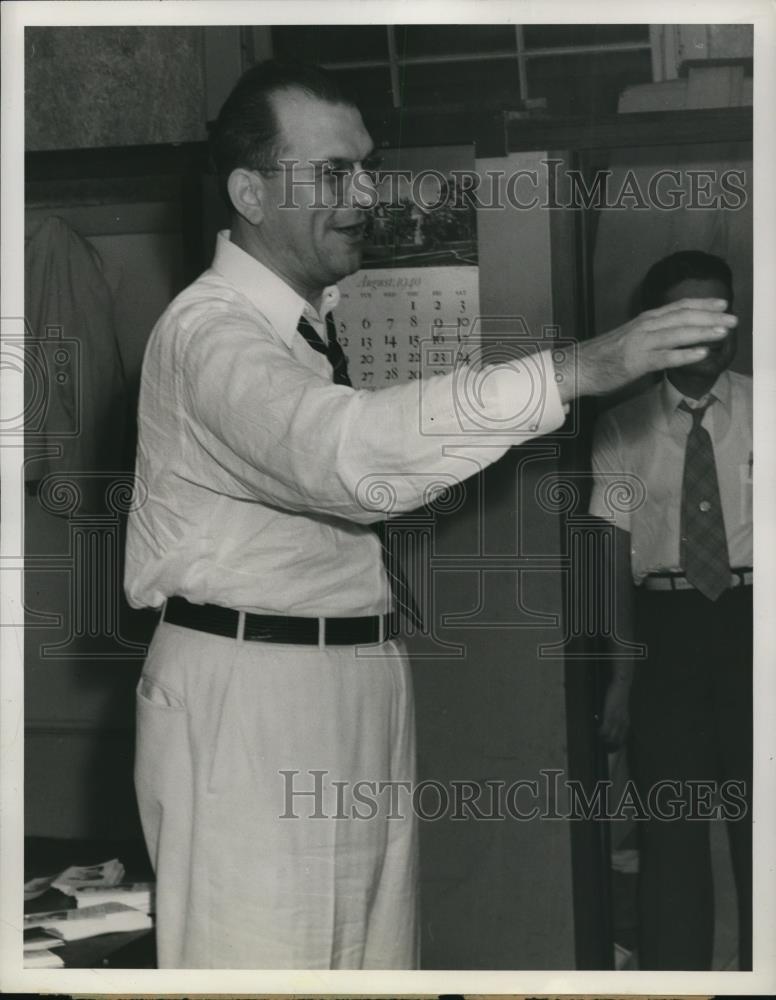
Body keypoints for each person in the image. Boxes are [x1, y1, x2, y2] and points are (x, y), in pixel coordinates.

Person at [124, 61, 738, 969]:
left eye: (367, 168)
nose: (365, 194)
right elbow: (348, 458)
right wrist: (577, 370)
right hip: (251, 699)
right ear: (249, 192)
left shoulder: (302, 326)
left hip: (348, 675)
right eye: (333, 174)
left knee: (376, 967)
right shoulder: (208, 334)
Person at [591, 250, 752, 970]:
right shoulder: (621, 428)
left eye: (721, 312)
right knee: (673, 834)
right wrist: (622, 679)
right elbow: (608, 564)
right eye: (690, 315)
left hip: (759, 628)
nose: (710, 331)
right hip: (665, 635)